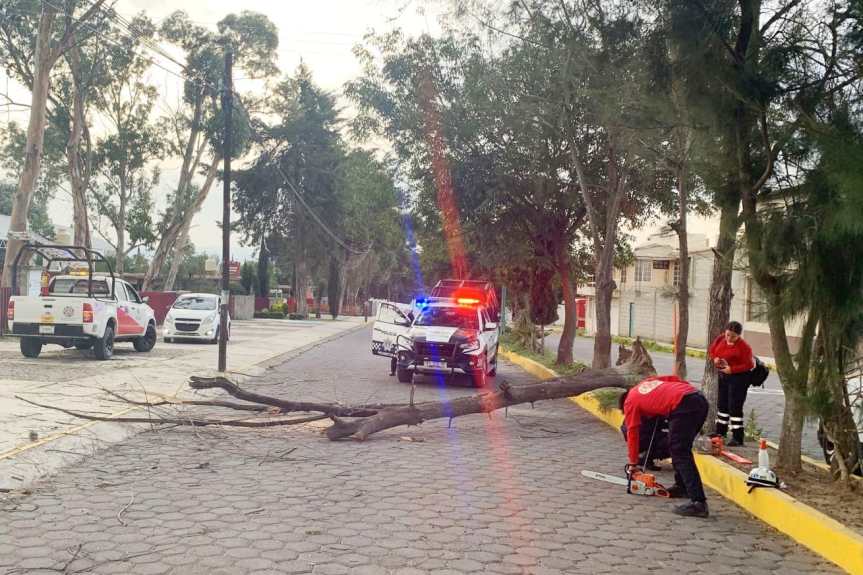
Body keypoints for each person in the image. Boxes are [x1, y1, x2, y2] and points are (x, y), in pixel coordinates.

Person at [620, 375, 710, 518]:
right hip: (697, 398)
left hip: (683, 405)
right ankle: (682, 487)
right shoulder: (645, 384)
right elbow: (674, 378)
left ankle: (698, 502)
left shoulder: (630, 403)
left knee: (679, 451)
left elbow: (632, 433)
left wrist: (633, 463)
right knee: (680, 448)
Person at [709, 321, 755, 446]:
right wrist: (715, 358)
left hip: (739, 378)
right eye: (728, 335)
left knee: (734, 407)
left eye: (733, 336)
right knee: (722, 404)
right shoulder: (720, 339)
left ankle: (737, 437)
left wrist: (732, 370)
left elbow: (749, 364)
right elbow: (712, 350)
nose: (729, 338)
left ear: (739, 335)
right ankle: (720, 432)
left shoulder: (744, 347)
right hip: (724, 375)